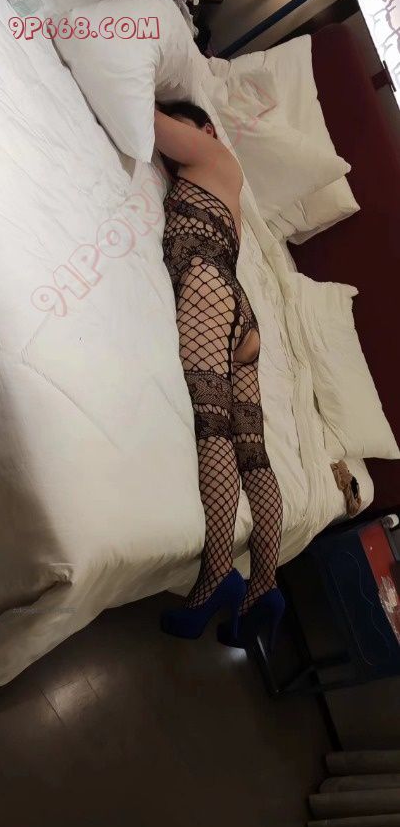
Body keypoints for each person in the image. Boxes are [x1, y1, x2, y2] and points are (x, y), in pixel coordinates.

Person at [155, 101, 285, 651]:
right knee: (253, 453)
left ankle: (214, 578)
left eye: (184, 125)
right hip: (239, 314)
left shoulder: (212, 152)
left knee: (215, 432)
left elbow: (146, 119)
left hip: (208, 289)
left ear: (206, 129)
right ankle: (264, 586)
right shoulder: (217, 176)